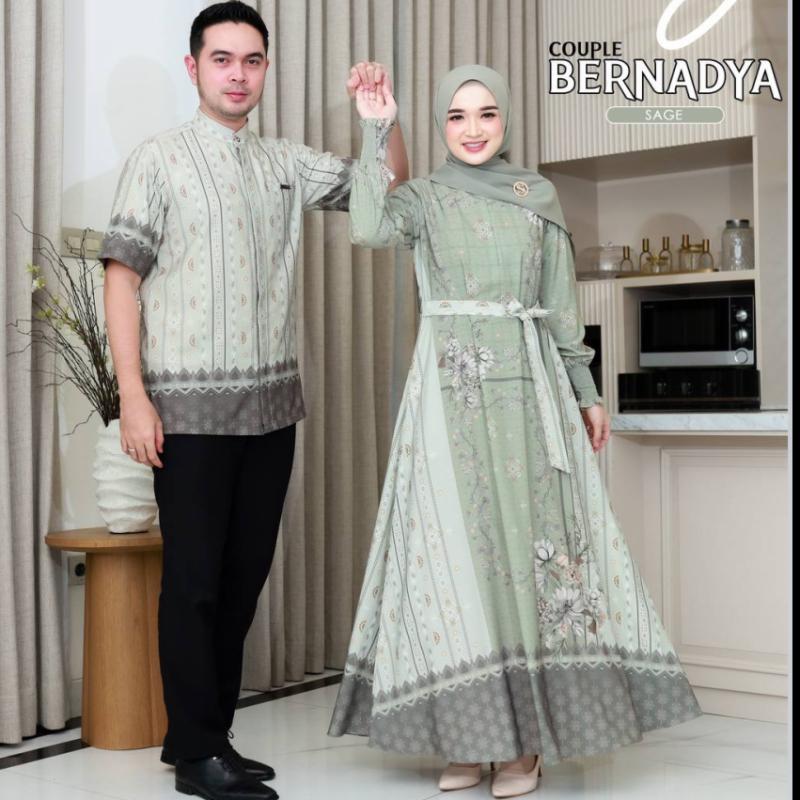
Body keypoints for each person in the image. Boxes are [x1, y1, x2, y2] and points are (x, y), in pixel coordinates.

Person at [328, 65, 701, 798]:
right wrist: (376, 125)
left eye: (487, 114)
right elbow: (368, 226)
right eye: (457, 116)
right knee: (457, 557)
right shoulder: (424, 198)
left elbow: (561, 305)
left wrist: (588, 394)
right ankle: (471, 738)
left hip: (530, 395)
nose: (473, 129)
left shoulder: (538, 197)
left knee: (528, 559)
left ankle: (525, 745)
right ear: (440, 125)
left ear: (505, 121)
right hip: (446, 400)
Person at [99, 3, 408, 800]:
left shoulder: (284, 161)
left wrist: (382, 121)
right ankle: (198, 754)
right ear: (194, 66)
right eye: (222, 59)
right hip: (188, 414)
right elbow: (122, 279)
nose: (238, 75)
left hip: (270, 411)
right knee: (194, 584)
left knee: (241, 582)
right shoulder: (158, 159)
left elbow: (385, 189)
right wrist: (133, 396)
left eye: (252, 60)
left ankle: (203, 738)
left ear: (266, 69)